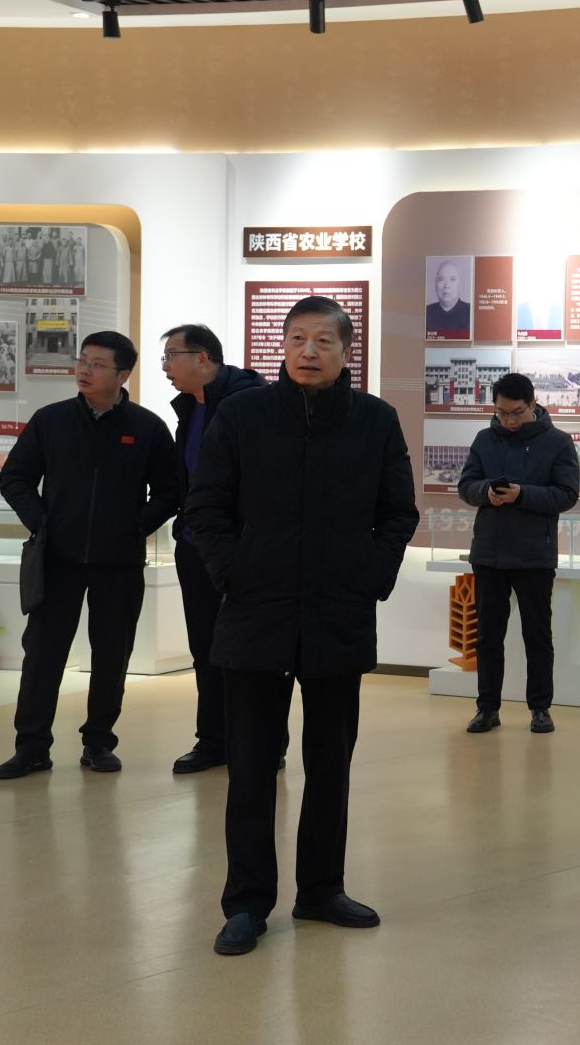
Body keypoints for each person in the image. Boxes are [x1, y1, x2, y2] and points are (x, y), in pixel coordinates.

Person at [186, 296, 418, 956]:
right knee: (251, 768)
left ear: (347, 351)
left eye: (323, 340)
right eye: (296, 339)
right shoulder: (243, 415)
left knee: (330, 763)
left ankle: (321, 890)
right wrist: (235, 574)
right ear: (282, 347)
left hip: (338, 613)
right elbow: (206, 508)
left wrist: (370, 575)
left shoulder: (374, 420)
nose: (308, 351)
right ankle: (246, 903)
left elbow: (397, 512)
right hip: (255, 614)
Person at [0, 331, 179, 780]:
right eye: (82, 361)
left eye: (97, 364)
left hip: (120, 563)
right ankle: (31, 747)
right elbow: (14, 478)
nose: (84, 370)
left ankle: (98, 742)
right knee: (43, 656)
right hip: (57, 560)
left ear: (122, 374)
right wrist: (42, 523)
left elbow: (172, 490)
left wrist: (135, 525)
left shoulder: (147, 427)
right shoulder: (51, 420)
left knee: (112, 655)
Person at [160, 324, 267, 775]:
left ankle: (263, 744)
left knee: (251, 652)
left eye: (172, 356)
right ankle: (214, 740)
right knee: (204, 647)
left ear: (202, 359)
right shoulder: (190, 406)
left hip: (241, 549)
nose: (165, 366)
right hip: (195, 547)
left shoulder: (250, 403)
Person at [455, 372, 578, 734]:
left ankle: (540, 708)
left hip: (534, 556)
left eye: (516, 412)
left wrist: (522, 494)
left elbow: (567, 495)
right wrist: (486, 493)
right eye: (501, 413)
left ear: (533, 405)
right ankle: (487, 708)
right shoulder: (484, 439)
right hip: (489, 554)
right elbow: (466, 485)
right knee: (487, 637)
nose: (509, 421)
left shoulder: (558, 442)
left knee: (537, 637)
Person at [427, 259, 472, 338]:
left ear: (460, 284)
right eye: (441, 279)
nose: (446, 285)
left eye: (452, 279)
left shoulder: (470, 312)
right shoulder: (427, 312)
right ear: (435, 284)